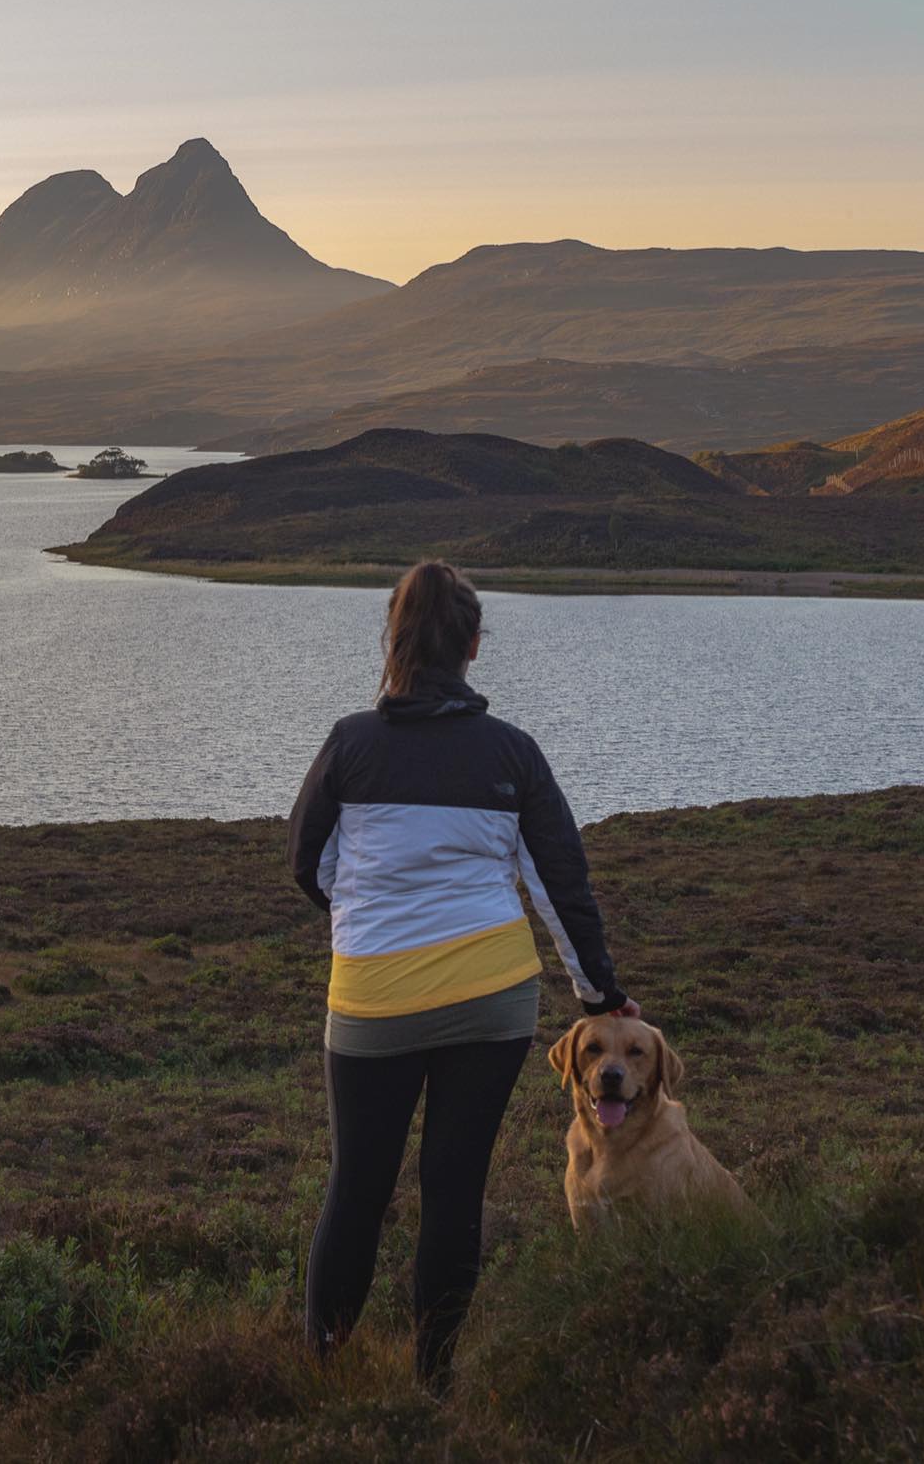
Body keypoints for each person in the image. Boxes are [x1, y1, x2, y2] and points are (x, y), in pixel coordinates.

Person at [288, 559, 636, 1393]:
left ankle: (321, 1373)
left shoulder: (350, 743)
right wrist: (600, 994)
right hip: (492, 1000)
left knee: (357, 1187)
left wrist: (365, 915)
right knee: (453, 1190)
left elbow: (307, 861)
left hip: (372, 995)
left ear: (395, 638)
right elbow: (562, 887)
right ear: (474, 644)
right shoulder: (512, 753)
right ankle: (434, 1380)